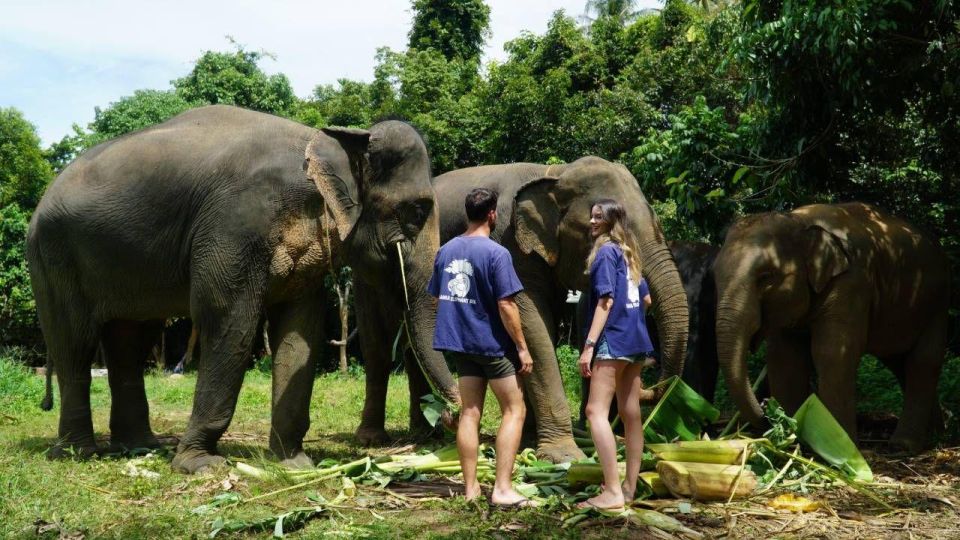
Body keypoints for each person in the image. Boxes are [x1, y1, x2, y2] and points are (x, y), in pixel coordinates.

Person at [427, 187, 536, 508]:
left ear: (467, 213)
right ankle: (502, 489)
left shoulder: (446, 251)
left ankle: (471, 488)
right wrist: (522, 348)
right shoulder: (496, 254)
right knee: (515, 410)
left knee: (471, 414)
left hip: (461, 345)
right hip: (492, 347)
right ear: (492, 214)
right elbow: (507, 305)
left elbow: (437, 297)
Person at [577, 199, 654, 512]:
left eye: (598, 217)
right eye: (592, 217)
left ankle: (611, 492)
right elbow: (646, 299)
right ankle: (629, 487)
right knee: (630, 412)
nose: (592, 222)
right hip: (636, 341)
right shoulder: (629, 253)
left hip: (613, 341)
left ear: (611, 222)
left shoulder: (606, 252)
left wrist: (590, 344)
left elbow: (605, 302)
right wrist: (631, 322)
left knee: (595, 411)